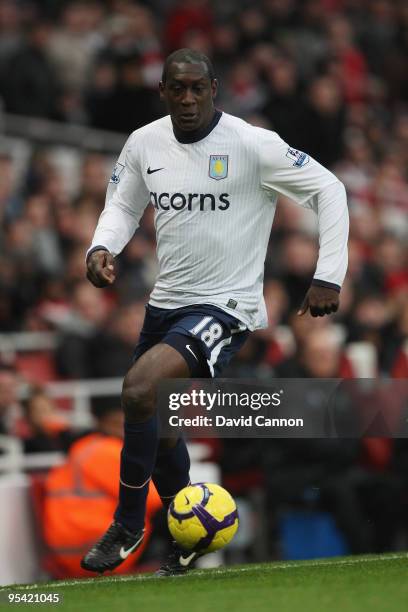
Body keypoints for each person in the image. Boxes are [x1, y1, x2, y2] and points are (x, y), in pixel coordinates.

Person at [82, 48, 349, 576]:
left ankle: (128, 523)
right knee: (156, 428)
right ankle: (188, 536)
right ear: (162, 91)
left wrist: (328, 274)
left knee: (138, 389)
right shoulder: (145, 142)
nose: (186, 99)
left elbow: (330, 188)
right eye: (176, 89)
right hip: (166, 304)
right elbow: (123, 205)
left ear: (214, 88)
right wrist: (99, 247)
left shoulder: (253, 145)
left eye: (196, 88)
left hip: (226, 306)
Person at [43, 398, 161, 578]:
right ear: (104, 423)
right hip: (98, 549)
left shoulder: (85, 446)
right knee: (181, 514)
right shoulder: (108, 451)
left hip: (76, 548)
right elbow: (154, 500)